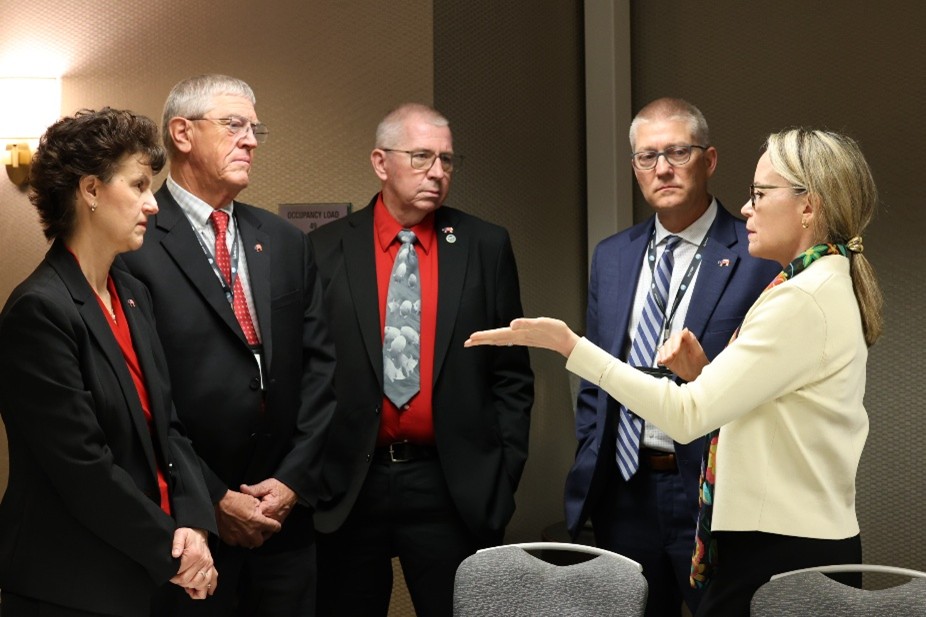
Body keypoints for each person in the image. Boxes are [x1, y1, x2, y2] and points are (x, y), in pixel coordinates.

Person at [466, 127, 882, 617]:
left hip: (780, 549)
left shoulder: (801, 297)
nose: (747, 208)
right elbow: (776, 406)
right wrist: (706, 373)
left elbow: (687, 416)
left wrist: (569, 345)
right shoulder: (818, 281)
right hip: (789, 537)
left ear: (808, 205)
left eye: (759, 194)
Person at [120, 75, 337, 616]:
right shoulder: (135, 242)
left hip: (284, 524)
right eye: (235, 125)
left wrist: (291, 481)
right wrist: (213, 498)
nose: (252, 140)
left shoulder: (284, 240)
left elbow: (321, 369)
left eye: (254, 127)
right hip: (188, 525)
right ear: (183, 133)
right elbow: (141, 393)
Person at [308, 103, 534, 616]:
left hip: (451, 486)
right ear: (380, 162)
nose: (437, 172)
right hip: (349, 487)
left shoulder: (484, 245)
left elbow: (512, 377)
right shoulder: (323, 249)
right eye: (422, 157)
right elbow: (308, 374)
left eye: (447, 160)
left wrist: (501, 477)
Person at [563, 97, 779, 616]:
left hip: (710, 492)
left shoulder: (757, 256)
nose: (662, 168)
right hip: (624, 487)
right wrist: (594, 446)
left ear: (709, 161)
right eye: (647, 156)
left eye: (678, 153)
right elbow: (598, 377)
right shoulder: (612, 256)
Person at [0, 108, 217, 616]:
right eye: (139, 186)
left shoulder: (132, 293)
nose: (152, 205)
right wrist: (178, 554)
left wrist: (194, 523)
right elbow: (82, 468)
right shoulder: (39, 309)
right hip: (70, 585)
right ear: (91, 190)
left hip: (147, 570)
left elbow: (170, 429)